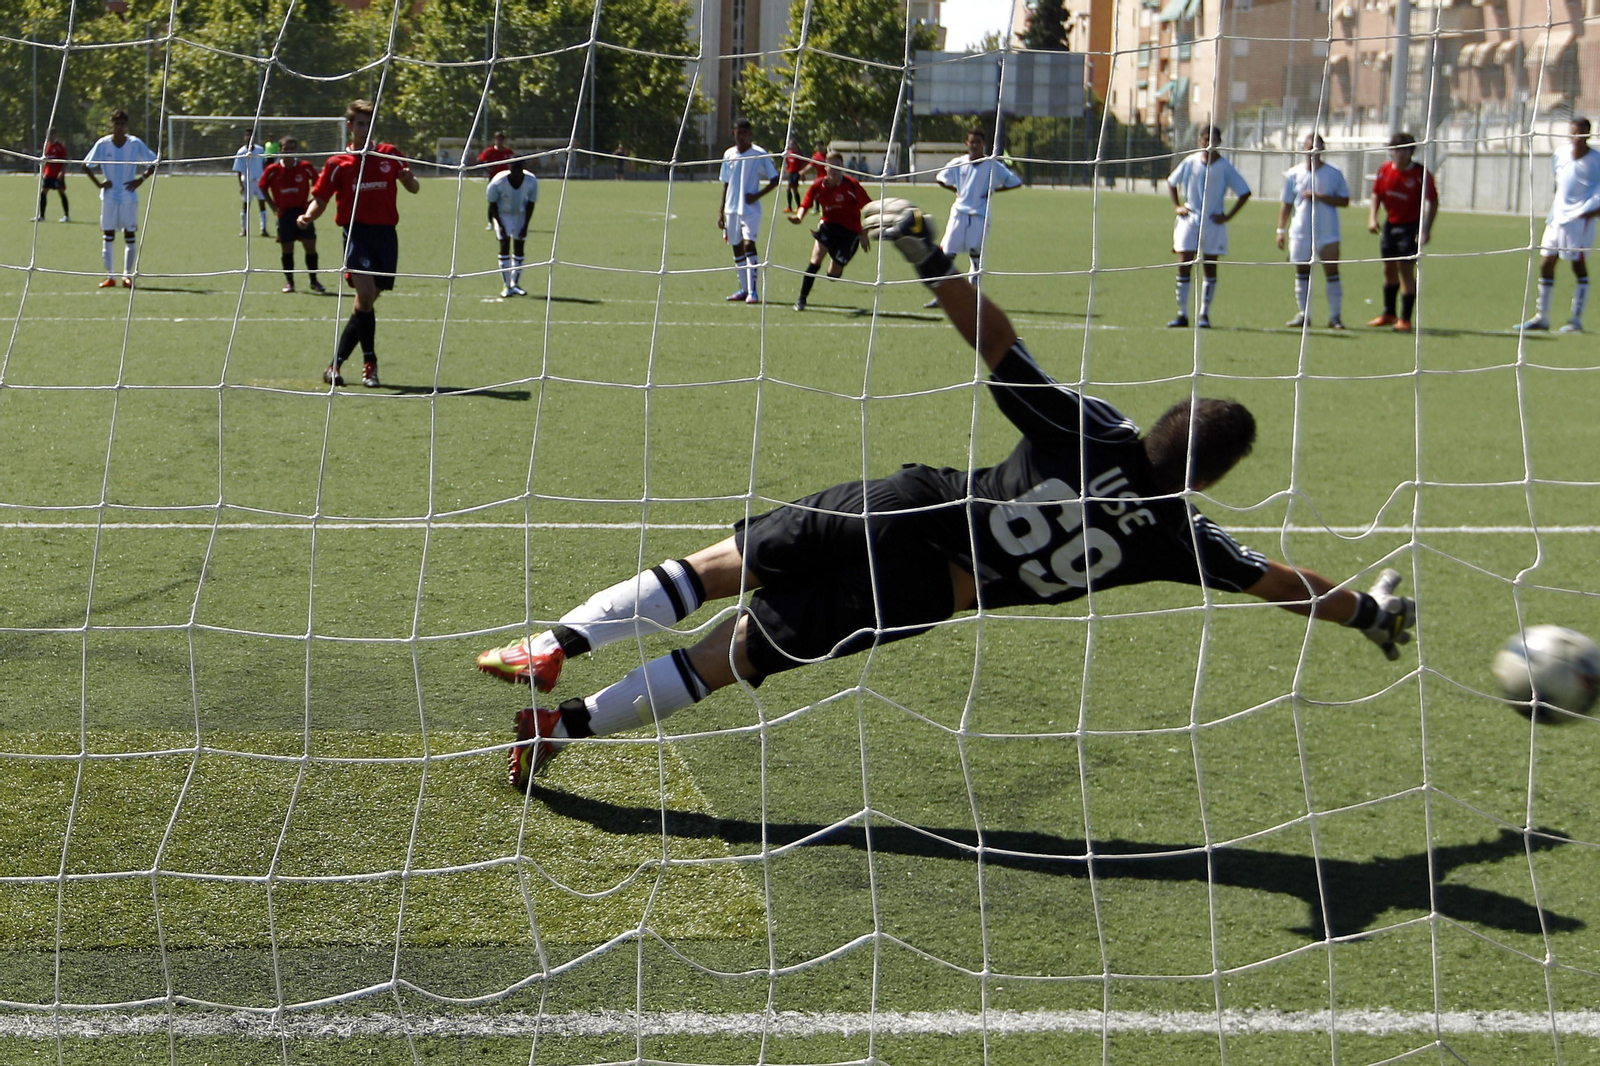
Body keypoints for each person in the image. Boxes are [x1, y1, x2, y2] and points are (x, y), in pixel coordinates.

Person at [476, 197, 1418, 791]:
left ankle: (554, 643)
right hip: (924, 590)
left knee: (719, 566)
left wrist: (929, 256)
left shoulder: (1095, 431)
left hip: (909, 505)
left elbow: (999, 346)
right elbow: (1282, 583)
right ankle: (559, 731)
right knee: (729, 659)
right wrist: (1369, 612)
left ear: (1158, 425)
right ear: (1206, 480)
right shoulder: (1181, 536)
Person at [299, 98, 420, 388]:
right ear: (351, 126)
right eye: (361, 124)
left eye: (370, 124)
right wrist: (307, 216)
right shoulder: (337, 163)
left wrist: (408, 180)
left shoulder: (390, 154)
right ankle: (370, 364)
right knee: (364, 296)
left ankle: (335, 365)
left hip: (386, 237)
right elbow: (321, 198)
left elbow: (414, 188)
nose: (365, 129)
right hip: (356, 235)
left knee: (363, 306)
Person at [1516, 117, 1600, 333]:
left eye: (1581, 133)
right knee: (1546, 263)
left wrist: (1590, 213)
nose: (1577, 137)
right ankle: (1542, 317)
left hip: (1580, 221)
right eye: (1574, 132)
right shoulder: (1560, 154)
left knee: (1577, 266)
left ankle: (1576, 319)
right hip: (1557, 219)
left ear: (1589, 134)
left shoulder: (1597, 160)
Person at [1165, 124, 1251, 329]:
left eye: (1212, 139)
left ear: (1219, 142)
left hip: (1212, 222)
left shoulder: (1225, 167)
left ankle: (1204, 314)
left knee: (1210, 266)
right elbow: (1172, 182)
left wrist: (1228, 216)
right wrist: (1177, 206)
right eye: (1205, 139)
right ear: (1199, 140)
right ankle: (1182, 313)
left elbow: (1244, 192)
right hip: (1189, 219)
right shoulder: (1190, 161)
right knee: (1184, 262)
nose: (1208, 143)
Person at [924, 127, 1022, 308]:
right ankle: (942, 296)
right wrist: (954, 189)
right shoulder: (958, 163)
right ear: (966, 143)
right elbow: (940, 178)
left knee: (976, 257)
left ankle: (973, 297)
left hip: (979, 215)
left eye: (978, 142)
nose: (975, 145)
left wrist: (993, 190)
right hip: (959, 214)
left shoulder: (992, 165)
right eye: (972, 142)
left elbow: (1015, 182)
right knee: (946, 255)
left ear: (983, 144)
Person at [1277, 133, 1351, 329]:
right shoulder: (1293, 174)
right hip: (1301, 231)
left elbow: (1344, 200)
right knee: (1302, 271)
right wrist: (1280, 229)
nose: (1313, 151)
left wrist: (1320, 197)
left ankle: (1335, 317)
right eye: (1309, 147)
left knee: (1331, 271)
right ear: (1303, 148)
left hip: (1328, 231)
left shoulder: (1334, 173)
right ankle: (1304, 315)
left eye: (1317, 147)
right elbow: (1286, 203)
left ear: (1323, 149)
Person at [1366, 133, 1438, 333]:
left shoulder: (1420, 173)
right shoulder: (1385, 169)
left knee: (1405, 271)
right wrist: (1372, 217)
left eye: (1404, 149)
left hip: (1410, 227)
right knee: (1388, 270)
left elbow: (1433, 202)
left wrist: (1426, 228)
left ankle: (1405, 319)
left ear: (1411, 151)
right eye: (1396, 149)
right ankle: (1389, 313)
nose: (1399, 153)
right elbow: (1376, 194)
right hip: (1390, 225)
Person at [788, 149, 871, 311]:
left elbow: (869, 209)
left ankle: (835, 258)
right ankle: (801, 299)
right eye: (831, 166)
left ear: (842, 167)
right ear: (825, 167)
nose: (834, 170)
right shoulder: (818, 185)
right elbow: (806, 203)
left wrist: (864, 233)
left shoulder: (852, 185)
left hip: (850, 232)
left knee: (833, 275)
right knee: (815, 261)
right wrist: (799, 217)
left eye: (837, 167)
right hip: (828, 226)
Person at [83, 108, 158, 289]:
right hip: (109, 197)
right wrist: (99, 183)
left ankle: (127, 275)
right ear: (111, 124)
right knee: (108, 235)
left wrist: (141, 179)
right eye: (116, 124)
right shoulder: (103, 144)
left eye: (122, 124)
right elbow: (86, 165)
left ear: (126, 126)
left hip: (128, 197)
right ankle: (110, 276)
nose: (119, 127)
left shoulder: (134, 143)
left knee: (129, 235)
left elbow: (154, 162)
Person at [718, 117, 779, 305]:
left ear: (750, 134)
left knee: (748, 244)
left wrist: (757, 195)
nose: (741, 136)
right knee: (736, 246)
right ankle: (743, 289)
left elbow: (775, 179)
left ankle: (753, 291)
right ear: (733, 133)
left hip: (750, 210)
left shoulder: (759, 154)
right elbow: (726, 183)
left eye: (745, 133)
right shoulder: (729, 154)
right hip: (731, 209)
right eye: (738, 132)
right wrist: (721, 212)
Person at [258, 136, 325, 294]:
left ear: (296, 151)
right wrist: (273, 206)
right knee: (287, 250)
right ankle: (289, 282)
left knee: (310, 247)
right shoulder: (272, 170)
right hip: (284, 215)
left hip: (303, 213)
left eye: (291, 149)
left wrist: (311, 201)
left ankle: (314, 280)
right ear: (280, 150)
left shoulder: (305, 167)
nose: (288, 152)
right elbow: (262, 186)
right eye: (285, 149)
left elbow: (319, 184)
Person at [487, 157, 538, 297]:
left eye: (518, 169)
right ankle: (506, 286)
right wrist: (500, 225)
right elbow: (492, 203)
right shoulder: (498, 181)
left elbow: (531, 203)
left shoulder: (531, 180)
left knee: (519, 247)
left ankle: (515, 284)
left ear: (523, 168)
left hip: (520, 214)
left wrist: (525, 225)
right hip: (503, 214)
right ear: (509, 168)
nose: (516, 172)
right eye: (513, 168)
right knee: (504, 244)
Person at [233, 135, 269, 237]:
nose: (250, 140)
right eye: (248, 138)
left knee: (262, 204)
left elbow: (264, 164)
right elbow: (238, 170)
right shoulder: (241, 152)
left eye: (252, 138)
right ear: (244, 138)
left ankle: (263, 228)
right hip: (247, 182)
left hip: (260, 181)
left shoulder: (260, 150)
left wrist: (266, 180)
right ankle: (244, 229)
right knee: (246, 205)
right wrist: (241, 185)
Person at [477, 132, 514, 230]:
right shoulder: (490, 151)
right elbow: (480, 160)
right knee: (492, 201)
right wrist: (488, 169)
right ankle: (490, 222)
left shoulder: (508, 152)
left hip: (506, 180)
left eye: (501, 139)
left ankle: (505, 221)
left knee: (506, 200)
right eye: (498, 139)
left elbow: (514, 162)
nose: (499, 141)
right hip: (494, 180)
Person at [36, 130, 70, 223]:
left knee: (61, 192)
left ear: (54, 135)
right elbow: (45, 160)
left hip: (57, 175)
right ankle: (42, 216)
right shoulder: (46, 146)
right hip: (49, 174)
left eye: (51, 135)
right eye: (47, 135)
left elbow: (65, 160)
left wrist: (62, 172)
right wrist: (43, 172)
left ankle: (66, 216)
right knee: (43, 192)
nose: (49, 137)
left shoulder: (59, 146)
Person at [782, 137, 805, 214]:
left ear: (795, 145)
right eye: (790, 144)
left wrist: (802, 174)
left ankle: (798, 207)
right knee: (789, 189)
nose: (791, 145)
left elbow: (802, 164)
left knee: (794, 189)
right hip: (790, 173)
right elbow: (786, 163)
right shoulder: (788, 153)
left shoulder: (798, 153)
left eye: (792, 144)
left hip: (796, 173)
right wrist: (785, 170)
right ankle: (789, 207)